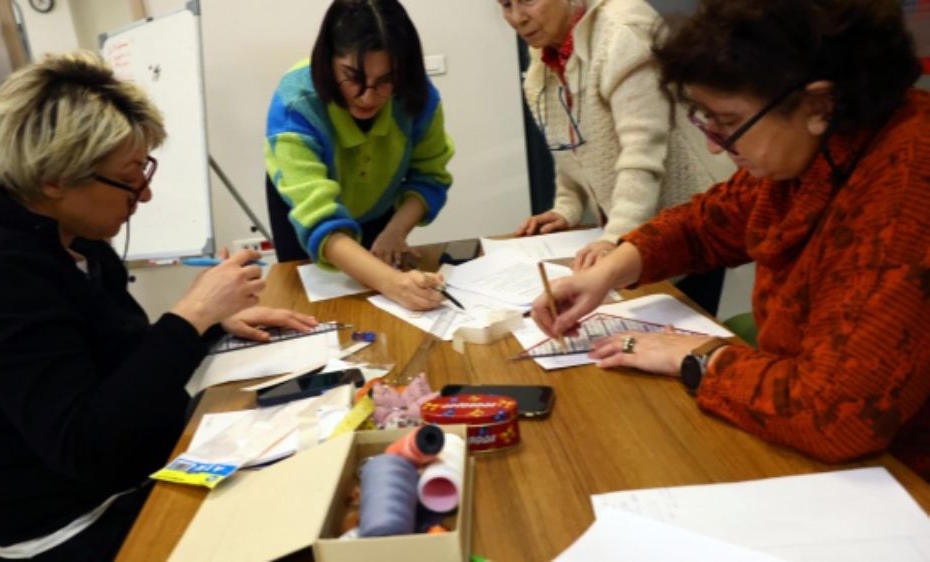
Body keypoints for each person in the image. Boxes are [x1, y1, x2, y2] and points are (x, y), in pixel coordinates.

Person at [0, 52, 317, 561]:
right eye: (130, 177)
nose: (146, 194)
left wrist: (208, 325)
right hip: (73, 527)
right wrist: (189, 317)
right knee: (307, 538)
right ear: (54, 177)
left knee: (316, 465)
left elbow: (114, 360)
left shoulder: (76, 241)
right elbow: (87, 446)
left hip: (137, 476)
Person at [531, 0, 930, 476]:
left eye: (727, 120)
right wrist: (612, 269)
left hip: (903, 477)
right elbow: (711, 222)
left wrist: (698, 357)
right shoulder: (811, 151)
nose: (713, 145)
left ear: (820, 104)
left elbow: (834, 413)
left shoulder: (907, 183)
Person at [500, 0, 733, 272]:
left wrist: (616, 237)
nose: (517, 18)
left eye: (528, 1)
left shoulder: (622, 32)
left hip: (688, 223)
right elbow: (570, 143)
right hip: (635, 234)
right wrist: (566, 207)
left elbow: (642, 151)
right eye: (505, 4)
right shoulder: (546, 51)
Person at [265, 0, 455, 311]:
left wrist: (395, 232)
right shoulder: (295, 104)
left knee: (383, 311)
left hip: (379, 205)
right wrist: (392, 283)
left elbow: (430, 175)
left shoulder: (417, 94)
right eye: (352, 76)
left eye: (385, 81)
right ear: (328, 61)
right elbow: (319, 219)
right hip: (311, 215)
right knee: (315, 312)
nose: (368, 97)